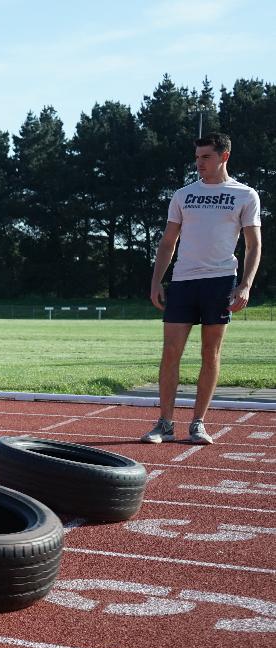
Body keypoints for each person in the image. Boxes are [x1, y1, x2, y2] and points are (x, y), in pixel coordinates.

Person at [144, 133, 262, 445]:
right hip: (183, 281)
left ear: (224, 156)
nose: (199, 164)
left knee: (210, 352)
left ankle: (198, 423)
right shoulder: (183, 195)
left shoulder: (245, 195)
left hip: (221, 281)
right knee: (170, 352)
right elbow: (168, 242)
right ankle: (165, 424)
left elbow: (253, 246)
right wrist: (157, 280)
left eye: (206, 157)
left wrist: (245, 285)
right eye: (197, 158)